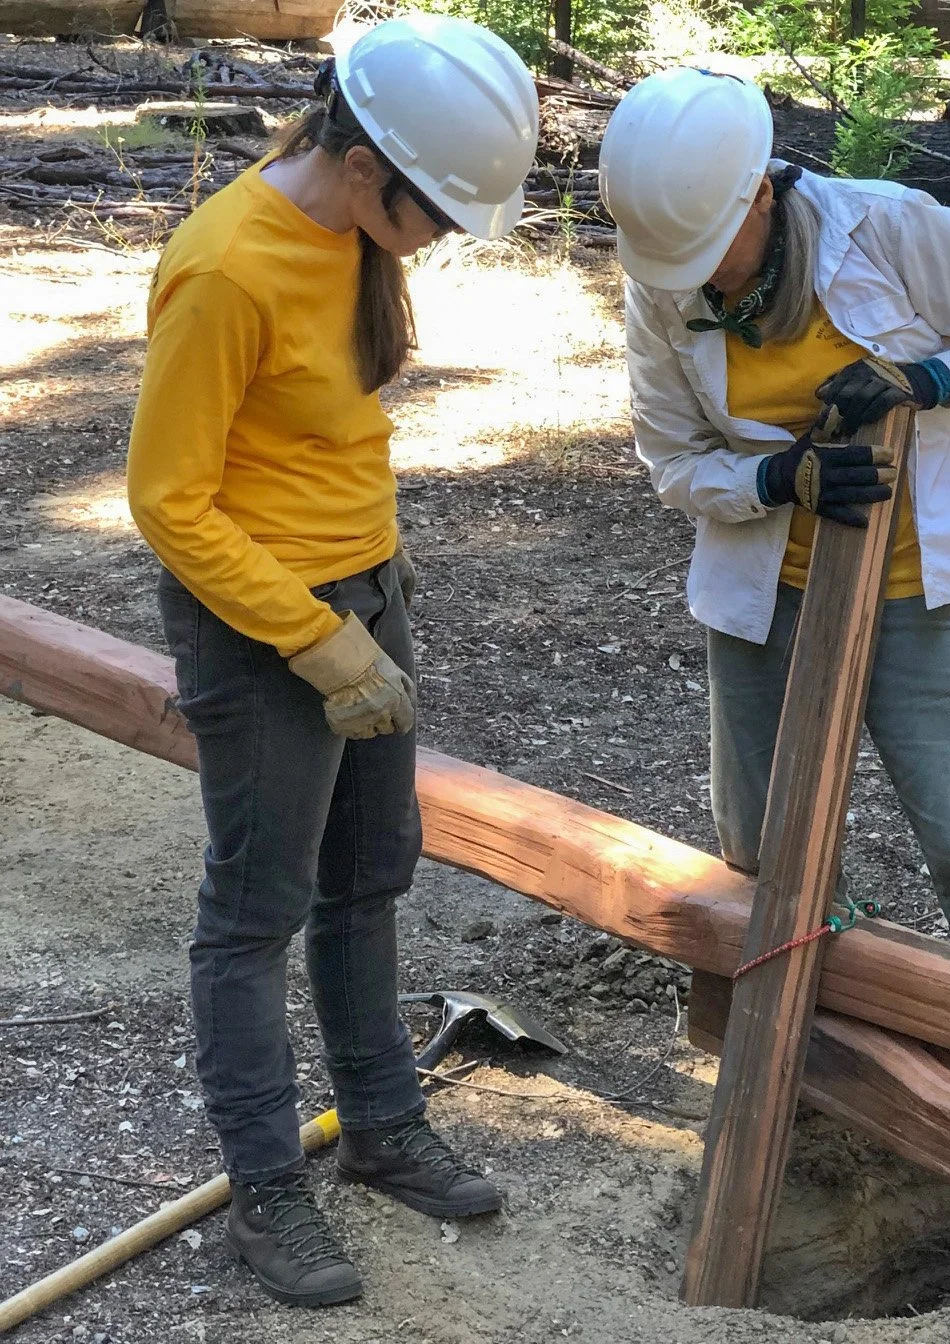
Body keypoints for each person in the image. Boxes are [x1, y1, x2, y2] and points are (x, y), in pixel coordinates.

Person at [601, 69, 950, 1112]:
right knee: (766, 856)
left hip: (915, 593)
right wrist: (771, 480)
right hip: (768, 598)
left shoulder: (889, 229)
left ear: (759, 191)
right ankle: (805, 1075)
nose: (699, 282)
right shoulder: (661, 280)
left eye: (713, 253)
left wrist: (922, 378)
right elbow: (672, 461)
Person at [124, 16, 539, 1306]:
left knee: (368, 877)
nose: (447, 239)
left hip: (363, 592)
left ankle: (380, 1127)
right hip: (263, 627)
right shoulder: (225, 271)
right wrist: (311, 638)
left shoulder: (358, 239)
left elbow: (335, 434)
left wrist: (374, 585)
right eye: (438, 211)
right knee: (255, 914)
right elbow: (167, 499)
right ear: (365, 168)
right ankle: (267, 1193)